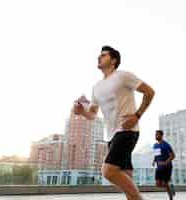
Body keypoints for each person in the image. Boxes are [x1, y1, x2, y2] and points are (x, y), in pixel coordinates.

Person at [73, 46, 155, 200]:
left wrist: (137, 115)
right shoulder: (96, 87)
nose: (99, 57)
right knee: (126, 178)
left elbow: (150, 92)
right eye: (99, 55)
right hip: (111, 136)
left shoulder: (123, 76)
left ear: (114, 60)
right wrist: (81, 112)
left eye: (103, 55)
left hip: (127, 131)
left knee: (108, 171)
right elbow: (92, 114)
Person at [153, 130, 175, 200]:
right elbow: (156, 155)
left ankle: (170, 197)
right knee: (157, 184)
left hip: (167, 167)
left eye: (157, 135)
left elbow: (173, 156)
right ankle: (171, 188)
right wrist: (154, 161)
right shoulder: (155, 145)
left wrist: (165, 162)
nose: (156, 136)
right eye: (155, 135)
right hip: (158, 167)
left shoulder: (166, 145)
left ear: (161, 135)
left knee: (165, 183)